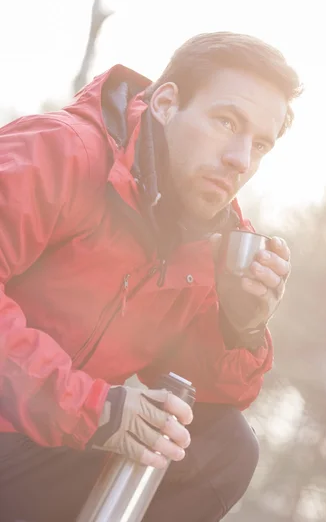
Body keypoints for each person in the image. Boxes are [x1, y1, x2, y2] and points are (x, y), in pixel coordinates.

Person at [0, 32, 301, 521]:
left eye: (260, 145)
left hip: (37, 454)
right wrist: (94, 410)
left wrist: (239, 325)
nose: (239, 159)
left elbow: (213, 397)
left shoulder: (215, 239)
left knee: (221, 447)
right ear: (165, 102)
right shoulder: (60, 151)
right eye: (227, 122)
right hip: (36, 427)